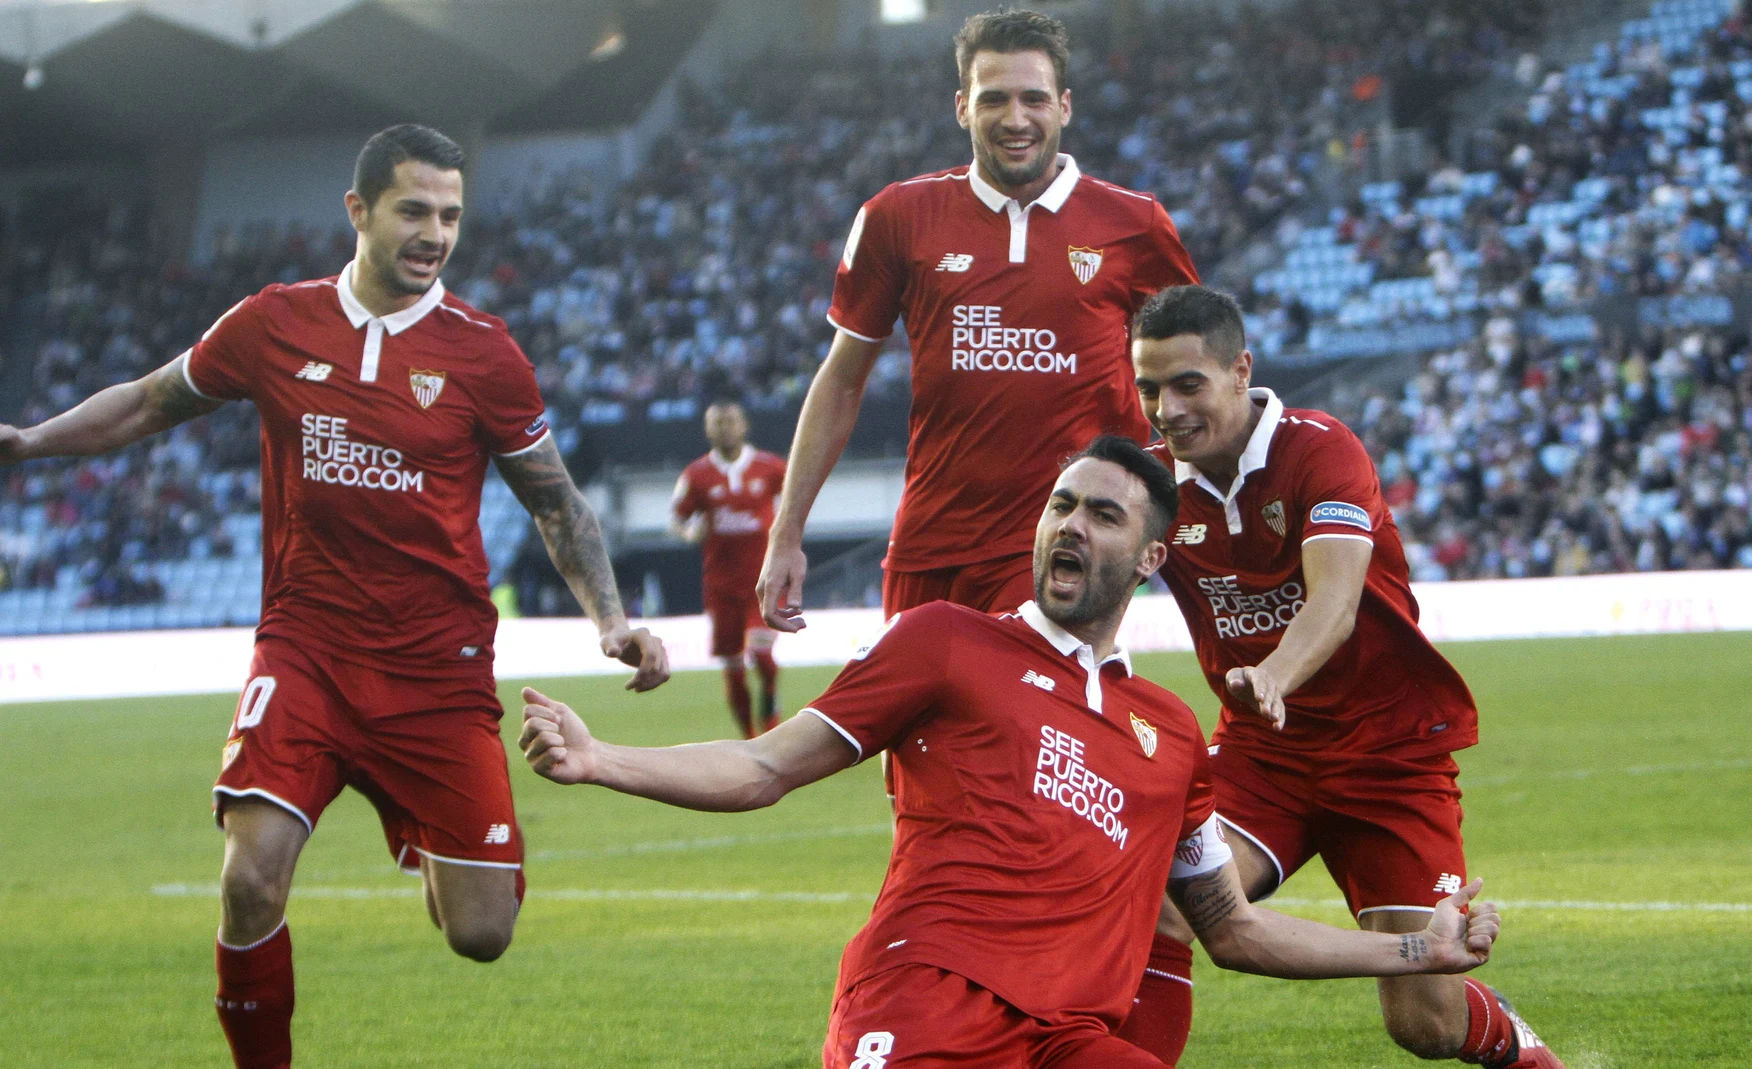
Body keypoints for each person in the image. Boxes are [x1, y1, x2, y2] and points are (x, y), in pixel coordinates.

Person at [0, 124, 670, 1069]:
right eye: (414, 210)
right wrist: (31, 442)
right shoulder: (274, 323)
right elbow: (150, 401)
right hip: (305, 654)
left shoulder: (485, 355)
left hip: (436, 674)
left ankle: (434, 841)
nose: (435, 232)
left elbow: (555, 498)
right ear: (358, 210)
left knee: (481, 932)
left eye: (451, 215)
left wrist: (613, 620)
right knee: (250, 881)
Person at [524, 436, 1503, 1068]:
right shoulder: (945, 640)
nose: (1070, 524)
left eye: (1103, 514)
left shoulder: (1167, 736)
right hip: (925, 1007)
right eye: (1061, 504)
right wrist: (605, 757)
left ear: (1152, 558)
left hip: (1069, 1042)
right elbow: (765, 766)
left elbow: (1234, 931)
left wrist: (1419, 949)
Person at [754, 14, 1202, 1047]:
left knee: (1103, 843)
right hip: (937, 579)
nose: (1014, 116)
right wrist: (788, 534)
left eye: (1032, 97)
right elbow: (842, 377)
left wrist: (1182, 534)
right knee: (941, 837)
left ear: (1065, 106)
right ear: (960, 104)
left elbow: (1188, 390)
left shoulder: (1131, 225)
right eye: (993, 96)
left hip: (1067, 578)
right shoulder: (901, 218)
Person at [1129, 285, 1563, 1069]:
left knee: (1424, 1022)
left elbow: (1333, 600)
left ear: (1239, 371)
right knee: (1165, 902)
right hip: (1266, 759)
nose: (1167, 407)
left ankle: (1523, 1051)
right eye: (1149, 388)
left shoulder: (1320, 448)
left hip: (1390, 756)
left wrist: (1273, 676)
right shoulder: (1156, 485)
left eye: (1187, 383)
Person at [670, 399, 787, 738]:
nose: (725, 428)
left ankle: (771, 713)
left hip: (762, 581)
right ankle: (750, 737)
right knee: (733, 668)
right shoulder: (697, 475)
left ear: (744, 426)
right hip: (721, 586)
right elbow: (676, 519)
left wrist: (788, 528)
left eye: (731, 421)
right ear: (708, 429)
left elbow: (797, 496)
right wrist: (690, 532)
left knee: (762, 655)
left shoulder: (770, 468)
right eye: (717, 422)